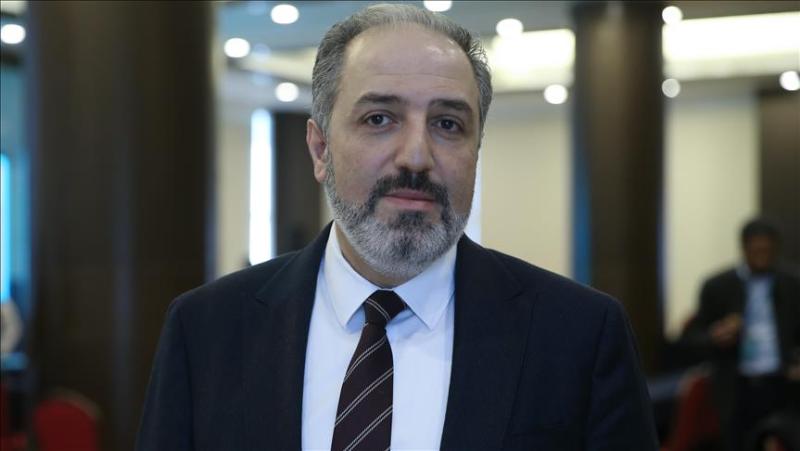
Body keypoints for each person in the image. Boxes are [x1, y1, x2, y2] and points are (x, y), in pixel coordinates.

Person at [136, 4, 658, 450]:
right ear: (320, 150)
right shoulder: (206, 331)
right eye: (379, 119)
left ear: (475, 151)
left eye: (448, 124)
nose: (416, 157)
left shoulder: (579, 337)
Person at [682, 218, 800, 451]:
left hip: (782, 384)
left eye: (767, 251)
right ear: (744, 248)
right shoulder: (717, 286)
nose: (762, 257)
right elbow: (690, 338)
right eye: (756, 250)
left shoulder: (793, 284)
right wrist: (715, 336)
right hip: (735, 386)